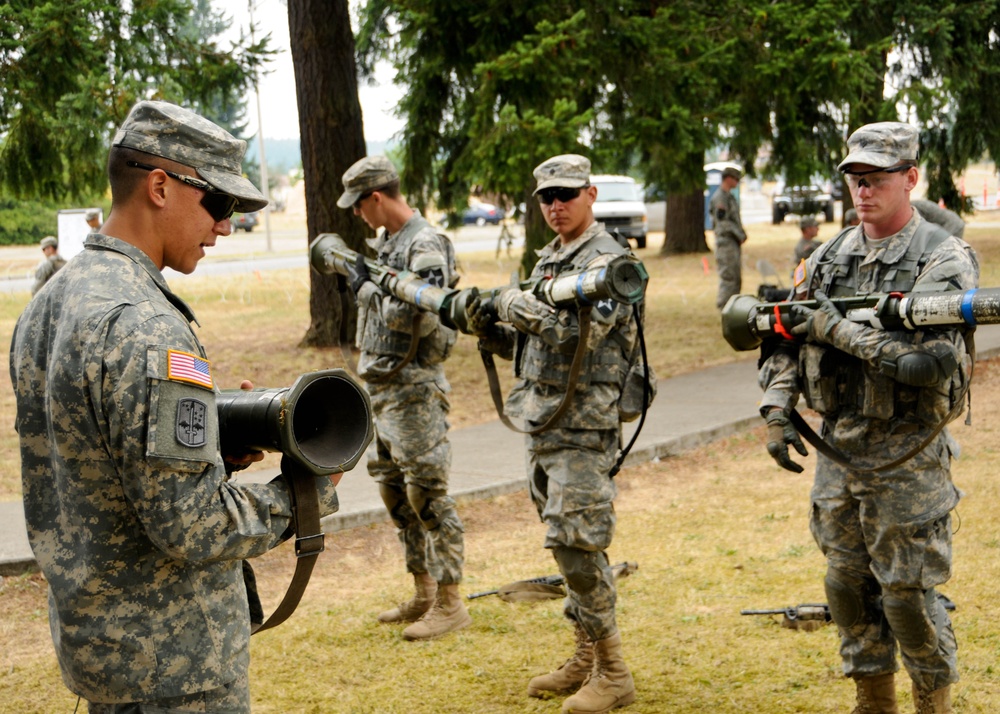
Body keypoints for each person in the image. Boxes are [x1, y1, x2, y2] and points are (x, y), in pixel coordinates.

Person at [9, 99, 344, 713]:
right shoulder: (145, 326)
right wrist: (303, 495)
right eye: (220, 204)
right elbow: (193, 525)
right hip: (174, 669)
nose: (226, 226)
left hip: (105, 652)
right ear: (160, 186)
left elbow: (96, 464)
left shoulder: (50, 303)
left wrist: (214, 451)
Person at [757, 122, 978, 713]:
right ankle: (872, 699)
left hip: (907, 453)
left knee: (907, 596)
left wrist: (840, 331)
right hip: (841, 449)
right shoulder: (826, 257)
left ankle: (933, 703)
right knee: (846, 586)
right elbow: (785, 335)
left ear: (910, 179)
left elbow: (927, 366)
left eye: (877, 178)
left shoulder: (943, 260)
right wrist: (777, 406)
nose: (863, 190)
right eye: (856, 178)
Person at [468, 154, 640, 713]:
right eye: (546, 197)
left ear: (591, 193)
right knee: (565, 545)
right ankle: (586, 654)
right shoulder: (551, 260)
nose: (555, 205)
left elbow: (576, 338)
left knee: (578, 543)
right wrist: (491, 327)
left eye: (566, 193)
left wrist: (515, 306)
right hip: (545, 420)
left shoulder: (614, 264)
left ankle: (614, 673)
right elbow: (535, 347)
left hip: (585, 425)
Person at [336, 155, 471, 640]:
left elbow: (421, 314)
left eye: (359, 205)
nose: (357, 215)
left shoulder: (426, 244)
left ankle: (452, 602)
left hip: (413, 388)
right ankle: (425, 591)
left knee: (427, 495)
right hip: (382, 387)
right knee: (394, 492)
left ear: (377, 197)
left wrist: (368, 291)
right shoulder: (389, 242)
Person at [709, 166, 747, 310]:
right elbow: (723, 223)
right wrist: (739, 234)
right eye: (736, 179)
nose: (737, 182)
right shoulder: (720, 197)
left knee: (736, 277)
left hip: (733, 242)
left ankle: (733, 307)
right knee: (729, 277)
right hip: (726, 242)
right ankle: (724, 307)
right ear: (728, 178)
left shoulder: (729, 196)